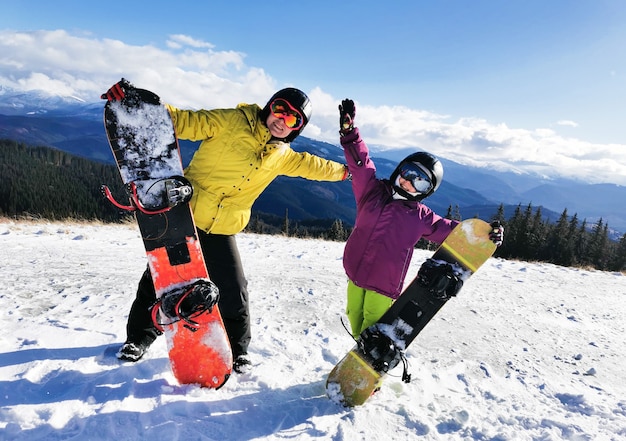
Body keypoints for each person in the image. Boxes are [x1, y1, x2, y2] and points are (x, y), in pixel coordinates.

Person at [102, 79, 350, 373]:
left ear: (297, 128)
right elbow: (185, 121)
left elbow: (315, 166)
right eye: (280, 110)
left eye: (292, 118)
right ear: (270, 106)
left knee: (234, 290)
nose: (282, 120)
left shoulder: (281, 156)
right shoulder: (233, 121)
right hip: (187, 217)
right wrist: (137, 104)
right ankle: (138, 339)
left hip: (222, 228)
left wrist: (351, 173)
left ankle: (237, 349)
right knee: (159, 280)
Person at [336, 99, 504, 339]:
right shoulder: (371, 191)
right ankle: (357, 362)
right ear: (400, 170)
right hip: (354, 273)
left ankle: (371, 364)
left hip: (383, 286)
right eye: (408, 173)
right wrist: (350, 134)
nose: (409, 182)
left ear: (426, 191)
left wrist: (487, 234)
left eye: (420, 181)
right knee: (354, 315)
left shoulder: (419, 216)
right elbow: (361, 165)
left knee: (372, 328)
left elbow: (450, 231)